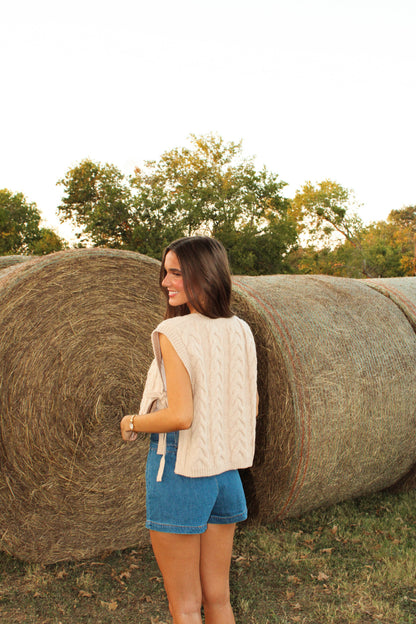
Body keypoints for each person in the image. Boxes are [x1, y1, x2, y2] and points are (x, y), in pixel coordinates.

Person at [120, 236, 258, 624]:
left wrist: (131, 422)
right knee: (218, 599)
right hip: (225, 473)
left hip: (179, 468)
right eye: (165, 272)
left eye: (176, 273)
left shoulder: (174, 333)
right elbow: (245, 407)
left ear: (204, 274)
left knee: (184, 606)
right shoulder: (240, 330)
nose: (166, 281)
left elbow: (180, 416)